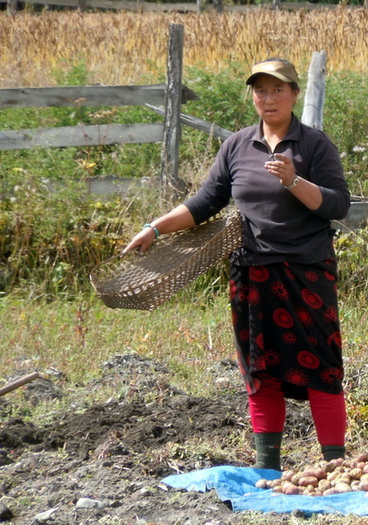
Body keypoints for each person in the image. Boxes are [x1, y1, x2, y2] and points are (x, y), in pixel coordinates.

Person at [123, 58, 351, 471]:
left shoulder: (314, 145)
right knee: (260, 371)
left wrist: (294, 181)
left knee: (322, 367)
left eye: (277, 90)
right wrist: (154, 229)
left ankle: (335, 467)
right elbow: (204, 202)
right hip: (252, 273)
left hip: (306, 272)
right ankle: (268, 468)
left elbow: (338, 205)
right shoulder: (237, 146)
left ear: (295, 93)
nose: (268, 98)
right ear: (253, 97)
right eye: (260, 90)